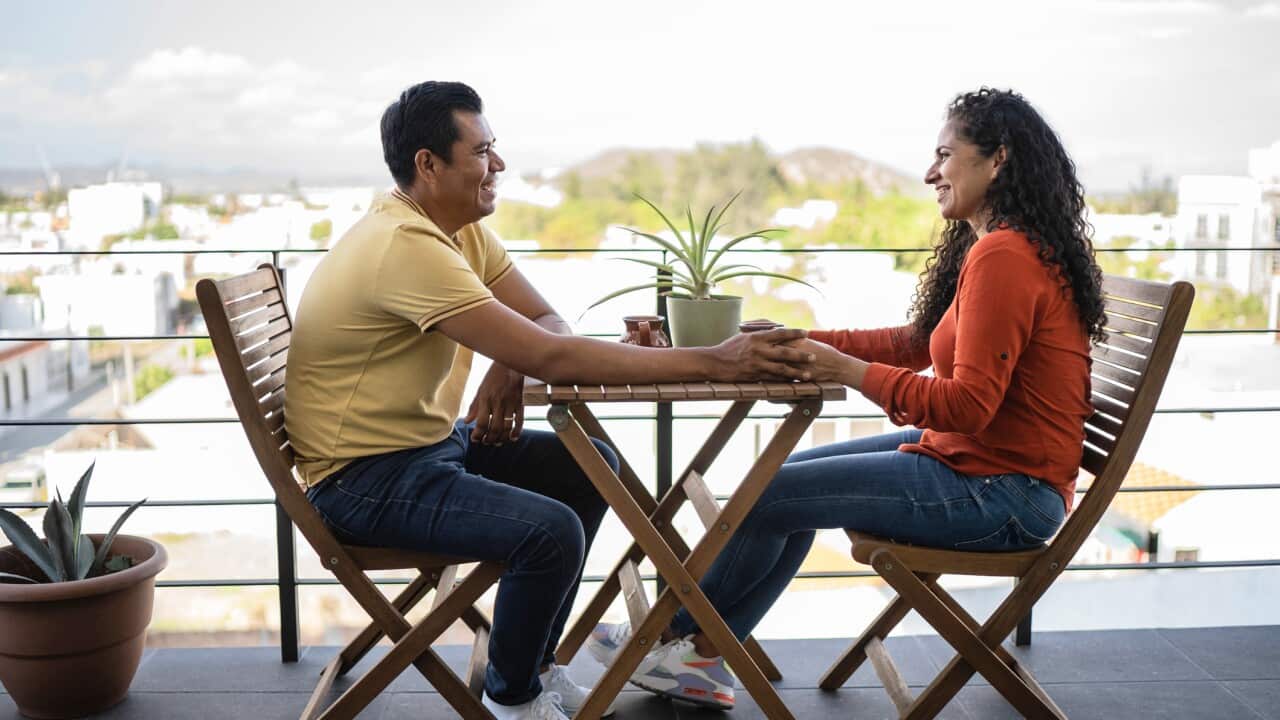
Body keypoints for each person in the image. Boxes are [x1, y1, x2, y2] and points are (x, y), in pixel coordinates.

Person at [283, 81, 815, 720]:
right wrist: (713, 359)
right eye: (481, 152)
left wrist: (513, 356)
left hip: (426, 449)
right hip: (363, 480)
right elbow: (554, 353)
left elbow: (545, 322)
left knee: (588, 466)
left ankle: (531, 666)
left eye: (494, 148)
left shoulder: (456, 232)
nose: (498, 165)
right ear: (429, 165)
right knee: (549, 530)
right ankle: (513, 699)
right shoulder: (406, 247)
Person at [587, 87, 1107, 711]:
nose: (929, 173)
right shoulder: (998, 248)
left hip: (1003, 495)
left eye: (945, 155)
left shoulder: (1005, 255)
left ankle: (677, 638)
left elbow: (969, 405)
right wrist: (799, 343)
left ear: (998, 160)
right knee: (781, 480)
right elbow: (914, 342)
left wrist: (847, 370)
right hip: (982, 468)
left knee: (770, 493)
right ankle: (701, 652)